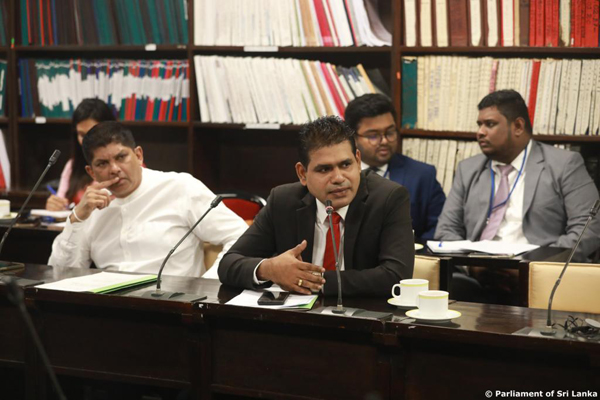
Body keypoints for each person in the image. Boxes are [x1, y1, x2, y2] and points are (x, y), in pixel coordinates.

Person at [218, 116, 414, 297]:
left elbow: (396, 276)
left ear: (358, 160)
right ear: (302, 174)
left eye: (346, 165)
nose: (338, 178)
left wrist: (310, 281)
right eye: (324, 169)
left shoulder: (388, 198)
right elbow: (228, 264)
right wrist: (270, 269)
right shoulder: (283, 201)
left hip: (363, 316)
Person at [48, 121, 249, 277]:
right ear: (91, 172)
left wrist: (208, 285)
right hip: (111, 306)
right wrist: (76, 219)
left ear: (138, 156)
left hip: (175, 304)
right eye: (102, 164)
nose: (114, 169)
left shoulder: (179, 187)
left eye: (121, 157)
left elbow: (240, 236)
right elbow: (61, 274)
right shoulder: (91, 207)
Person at [435, 89, 600, 261]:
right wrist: (470, 264)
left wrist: (532, 266)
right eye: (479, 124)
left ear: (518, 126)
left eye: (490, 124)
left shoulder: (564, 165)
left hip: (537, 268)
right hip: (476, 269)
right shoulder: (468, 169)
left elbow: (588, 229)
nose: (480, 132)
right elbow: (446, 230)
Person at [344, 94, 445, 240]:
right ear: (353, 138)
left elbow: (438, 228)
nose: (385, 141)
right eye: (373, 135)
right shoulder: (339, 175)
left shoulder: (423, 175)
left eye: (390, 132)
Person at [46, 99, 116, 211]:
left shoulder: (124, 165)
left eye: (93, 133)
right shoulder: (72, 165)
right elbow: (62, 203)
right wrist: (55, 206)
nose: (87, 141)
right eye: (82, 135)